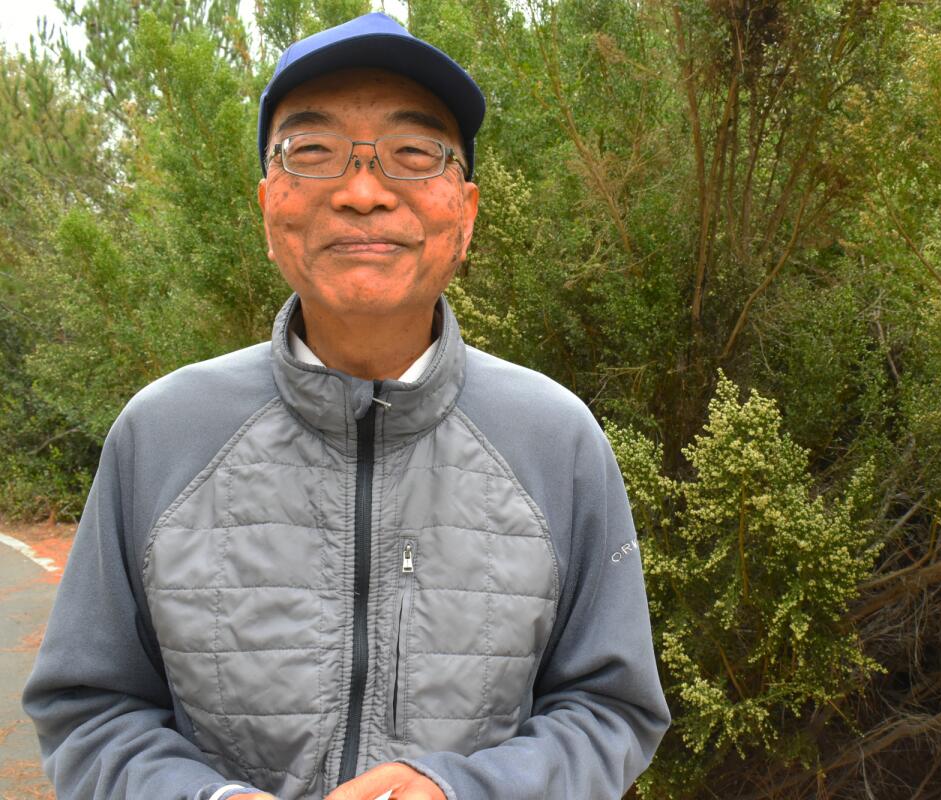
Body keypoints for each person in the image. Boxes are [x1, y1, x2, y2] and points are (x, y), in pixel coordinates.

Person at [23, 13, 670, 800]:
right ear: (270, 206)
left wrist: (460, 790)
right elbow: (89, 709)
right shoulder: (163, 433)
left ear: (464, 213)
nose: (363, 193)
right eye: (315, 152)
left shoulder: (554, 438)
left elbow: (610, 709)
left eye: (412, 154)